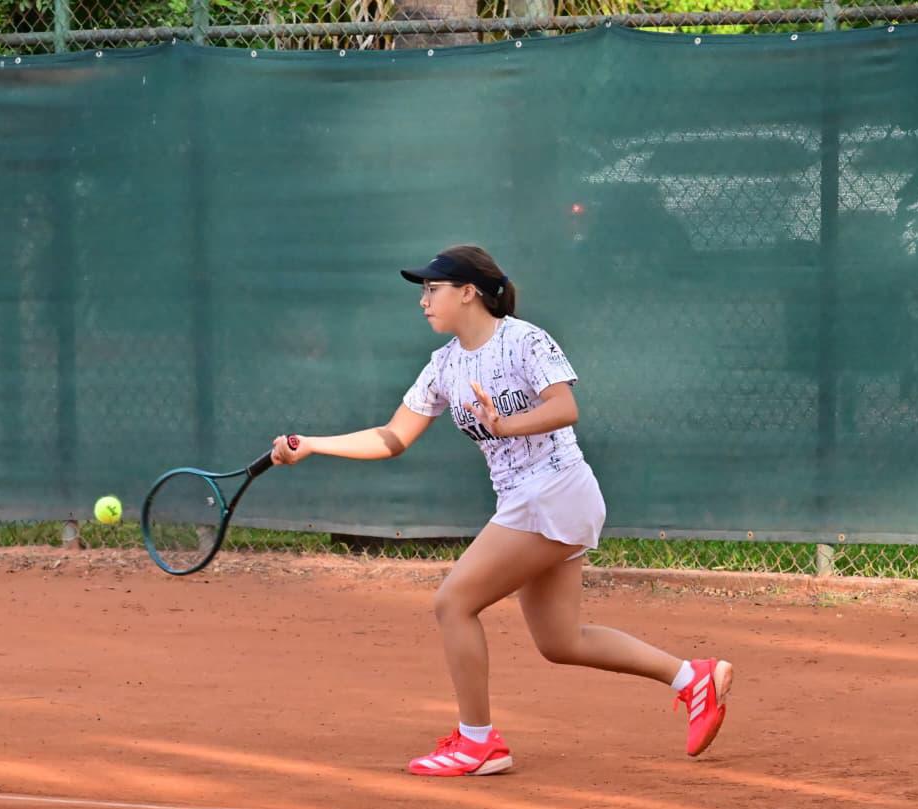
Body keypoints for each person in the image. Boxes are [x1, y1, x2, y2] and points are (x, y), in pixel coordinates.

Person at [271, 244, 732, 778]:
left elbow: (565, 408)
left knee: (454, 602)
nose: (423, 301)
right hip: (531, 500)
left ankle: (477, 741)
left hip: (554, 490)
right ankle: (690, 677)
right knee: (561, 641)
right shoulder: (443, 366)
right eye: (422, 291)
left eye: (432, 289)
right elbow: (394, 436)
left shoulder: (524, 340)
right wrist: (314, 445)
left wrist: (505, 425)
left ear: (468, 292)